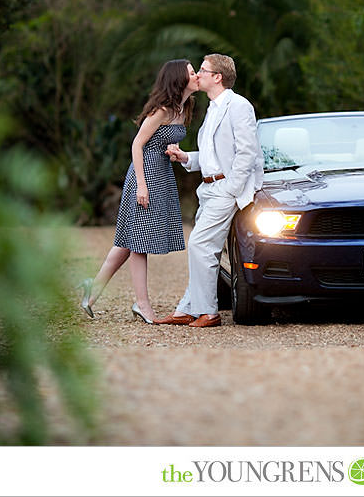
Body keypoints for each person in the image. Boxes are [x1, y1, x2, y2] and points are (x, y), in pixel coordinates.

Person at [76, 59, 199, 323]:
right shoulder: (162, 110)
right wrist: (142, 185)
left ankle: (92, 291)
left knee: (127, 242)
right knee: (139, 243)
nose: (197, 75)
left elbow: (165, 142)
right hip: (145, 176)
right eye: (192, 72)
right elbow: (137, 145)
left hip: (163, 174)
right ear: (179, 78)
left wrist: (176, 153)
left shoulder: (183, 108)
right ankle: (142, 305)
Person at [157, 53, 264, 328]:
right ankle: (188, 308)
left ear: (217, 77)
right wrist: (186, 158)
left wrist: (230, 188)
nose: (198, 75)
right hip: (209, 188)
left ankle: (209, 312)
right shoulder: (213, 108)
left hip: (225, 190)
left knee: (200, 245)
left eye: (203, 70)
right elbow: (212, 155)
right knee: (203, 248)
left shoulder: (239, 106)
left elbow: (247, 152)